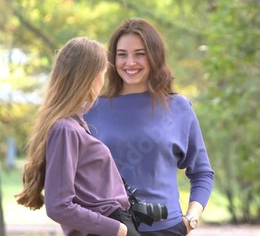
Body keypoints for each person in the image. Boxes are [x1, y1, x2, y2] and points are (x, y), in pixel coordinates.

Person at [84, 18, 215, 236]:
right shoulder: (92, 109)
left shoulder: (178, 108)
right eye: (122, 54)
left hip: (166, 229)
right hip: (106, 229)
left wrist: (190, 220)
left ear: (154, 56)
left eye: (140, 54)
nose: (130, 62)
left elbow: (202, 172)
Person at [15, 37, 140, 236]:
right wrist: (117, 228)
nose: (103, 80)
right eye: (102, 73)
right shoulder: (65, 129)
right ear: (89, 77)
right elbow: (58, 206)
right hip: (105, 227)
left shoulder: (75, 123)